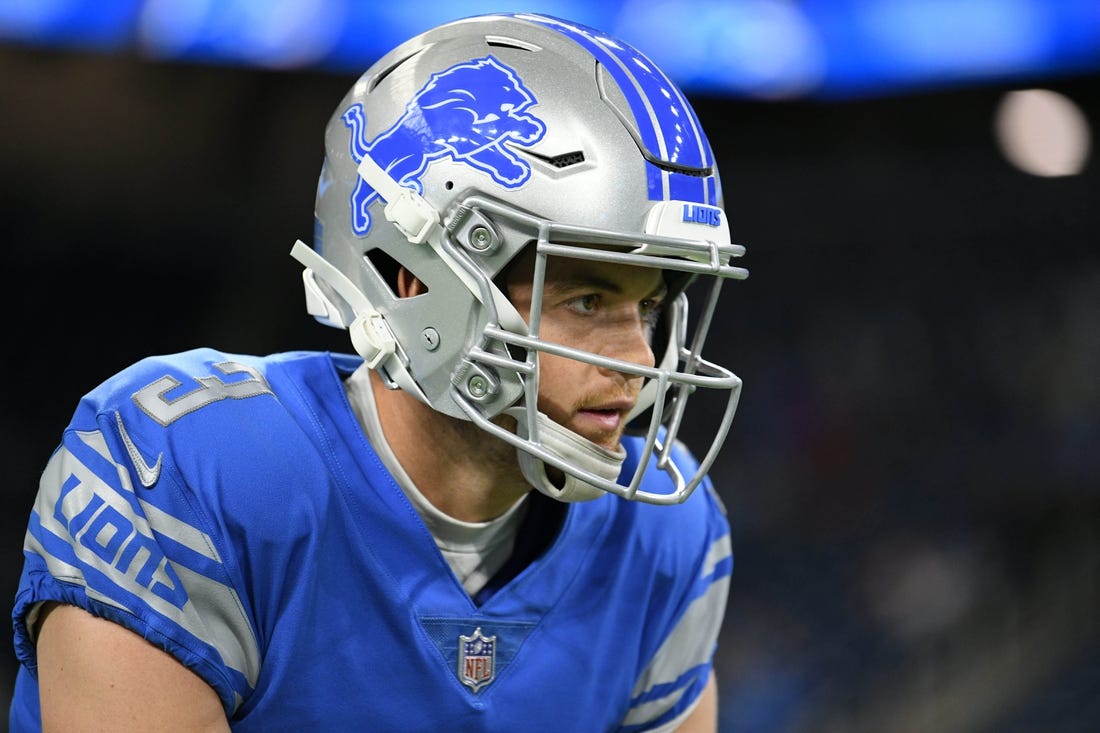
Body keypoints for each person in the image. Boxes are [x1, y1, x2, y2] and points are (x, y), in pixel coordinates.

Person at [10, 11, 748, 732]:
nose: (640, 362)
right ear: (414, 279)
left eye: (648, 309)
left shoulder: (659, 530)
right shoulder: (187, 474)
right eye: (588, 298)